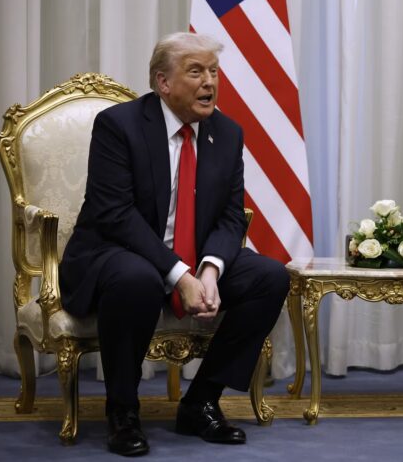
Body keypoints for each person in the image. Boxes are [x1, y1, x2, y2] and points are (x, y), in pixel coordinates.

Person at [59, 32, 289, 456]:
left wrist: (210, 269)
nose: (210, 82)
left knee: (270, 277)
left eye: (214, 71)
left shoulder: (227, 133)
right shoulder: (119, 125)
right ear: (163, 82)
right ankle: (123, 412)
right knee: (138, 279)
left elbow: (231, 216)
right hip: (117, 252)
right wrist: (180, 275)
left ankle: (201, 402)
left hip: (192, 255)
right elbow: (115, 215)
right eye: (196, 71)